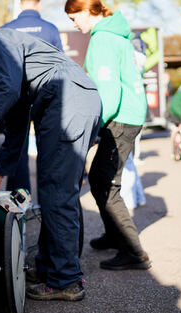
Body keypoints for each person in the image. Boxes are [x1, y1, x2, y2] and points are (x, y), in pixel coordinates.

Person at [0, 18, 102, 301]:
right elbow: (16, 123)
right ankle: (50, 267)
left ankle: (66, 280)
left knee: (56, 192)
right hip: (71, 101)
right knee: (55, 190)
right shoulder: (2, 52)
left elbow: (8, 91)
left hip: (68, 102)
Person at [65, 0, 151, 270]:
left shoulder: (102, 39)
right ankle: (114, 235)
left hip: (120, 118)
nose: (74, 23)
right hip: (128, 115)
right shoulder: (115, 33)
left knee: (105, 182)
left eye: (75, 16)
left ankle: (134, 252)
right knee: (101, 178)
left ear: (90, 11)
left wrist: (91, 129)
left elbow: (110, 96)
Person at [1, 0, 63, 192]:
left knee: (16, 145)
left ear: (20, 4)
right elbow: (61, 67)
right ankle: (49, 199)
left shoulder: (7, 30)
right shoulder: (51, 29)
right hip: (45, 96)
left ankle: (19, 200)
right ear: (38, 4)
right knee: (48, 148)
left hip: (17, 96)